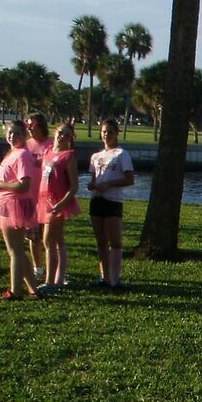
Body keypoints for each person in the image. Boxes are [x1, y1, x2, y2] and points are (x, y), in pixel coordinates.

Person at [0, 120, 39, 300]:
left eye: (17, 133)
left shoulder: (22, 155)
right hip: (8, 203)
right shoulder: (13, 152)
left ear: (25, 135)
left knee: (14, 250)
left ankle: (16, 290)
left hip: (14, 204)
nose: (12, 136)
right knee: (17, 250)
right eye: (10, 133)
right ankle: (33, 289)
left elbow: (24, 185)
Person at [87, 117, 135, 290]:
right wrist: (93, 185)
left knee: (115, 241)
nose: (106, 135)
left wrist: (109, 184)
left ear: (116, 133)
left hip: (113, 201)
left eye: (110, 132)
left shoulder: (122, 154)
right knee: (101, 240)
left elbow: (130, 179)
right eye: (104, 132)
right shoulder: (96, 156)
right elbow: (94, 178)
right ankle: (104, 277)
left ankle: (115, 279)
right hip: (97, 200)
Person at [36, 121, 80, 291]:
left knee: (48, 240)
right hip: (44, 200)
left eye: (67, 135)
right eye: (61, 132)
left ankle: (50, 281)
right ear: (55, 132)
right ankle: (59, 278)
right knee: (57, 239)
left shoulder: (68, 157)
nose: (62, 137)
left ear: (70, 139)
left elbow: (74, 186)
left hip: (57, 203)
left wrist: (61, 204)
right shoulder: (48, 152)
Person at [24, 112, 53, 281]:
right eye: (27, 125)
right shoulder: (26, 146)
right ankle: (38, 268)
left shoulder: (51, 144)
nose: (29, 128)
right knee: (33, 237)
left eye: (32, 125)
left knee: (50, 238)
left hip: (49, 199)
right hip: (31, 199)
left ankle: (54, 270)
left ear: (41, 126)